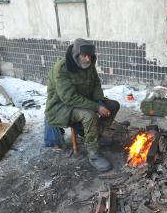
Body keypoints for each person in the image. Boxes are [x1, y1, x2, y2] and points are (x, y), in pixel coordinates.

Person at [45, 38, 119, 172]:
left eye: (89, 56)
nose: (87, 59)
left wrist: (100, 101)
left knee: (113, 106)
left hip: (83, 100)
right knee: (89, 116)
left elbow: (96, 83)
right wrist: (96, 107)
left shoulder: (88, 63)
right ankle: (94, 155)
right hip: (62, 106)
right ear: (75, 56)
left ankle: (94, 135)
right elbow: (69, 98)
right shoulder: (61, 69)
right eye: (84, 56)